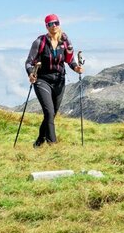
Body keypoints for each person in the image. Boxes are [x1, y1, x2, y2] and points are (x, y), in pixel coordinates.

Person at [25, 14, 83, 147]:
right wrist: (31, 73)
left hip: (59, 81)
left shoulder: (65, 41)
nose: (54, 26)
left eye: (56, 23)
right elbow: (28, 62)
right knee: (49, 112)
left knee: (52, 114)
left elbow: (69, 60)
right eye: (51, 24)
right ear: (46, 26)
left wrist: (76, 68)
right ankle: (53, 144)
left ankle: (40, 140)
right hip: (42, 80)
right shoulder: (39, 42)